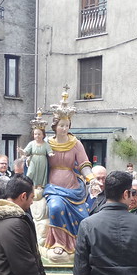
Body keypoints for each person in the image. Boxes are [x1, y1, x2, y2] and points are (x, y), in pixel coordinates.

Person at [43, 90, 94, 260]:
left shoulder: (75, 143)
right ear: (55, 126)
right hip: (53, 186)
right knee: (56, 207)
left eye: (67, 125)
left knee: (84, 215)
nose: (64, 128)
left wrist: (92, 179)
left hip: (73, 187)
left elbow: (85, 164)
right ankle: (58, 242)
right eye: (61, 125)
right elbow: (37, 163)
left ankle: (78, 243)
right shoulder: (46, 143)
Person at [20, 112, 54, 187]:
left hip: (42, 161)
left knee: (41, 174)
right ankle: (29, 185)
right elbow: (26, 151)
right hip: (33, 160)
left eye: (39, 134)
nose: (37, 136)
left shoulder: (45, 144)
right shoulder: (32, 143)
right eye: (35, 134)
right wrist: (22, 151)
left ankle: (39, 186)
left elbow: (49, 151)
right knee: (30, 173)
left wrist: (50, 154)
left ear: (43, 135)